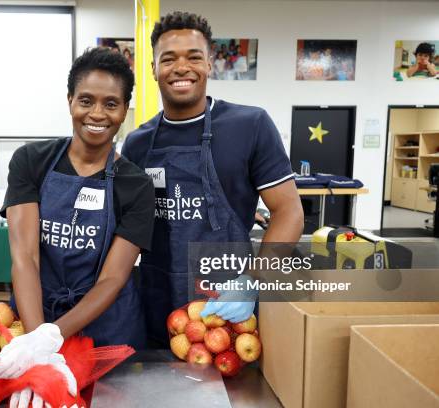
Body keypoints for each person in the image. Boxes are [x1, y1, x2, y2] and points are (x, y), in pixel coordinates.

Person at [0, 48, 154, 406]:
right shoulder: (32, 161)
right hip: (36, 314)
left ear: (124, 110)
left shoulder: (135, 184)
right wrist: (35, 345)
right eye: (86, 100)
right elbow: (25, 257)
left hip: (108, 333)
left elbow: (113, 278)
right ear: (69, 101)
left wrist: (52, 337)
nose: (96, 114)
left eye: (111, 104)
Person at [121, 11, 304, 346]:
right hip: (158, 301)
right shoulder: (137, 142)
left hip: (228, 303)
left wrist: (253, 280)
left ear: (210, 63)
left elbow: (289, 211)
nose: (181, 68)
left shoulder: (250, 125)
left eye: (193, 57)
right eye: (168, 59)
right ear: (153, 70)